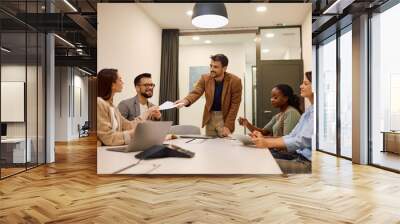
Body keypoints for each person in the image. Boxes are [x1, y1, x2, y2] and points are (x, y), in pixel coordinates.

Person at [250, 72, 314, 174]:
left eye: (305, 84)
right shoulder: (309, 111)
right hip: (299, 156)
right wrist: (262, 139)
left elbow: (300, 141)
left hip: (307, 162)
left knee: (259, 161)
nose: (301, 86)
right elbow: (292, 135)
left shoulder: (301, 113)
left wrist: (267, 143)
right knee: (256, 155)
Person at [175, 54, 242, 137]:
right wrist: (185, 101)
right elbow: (196, 92)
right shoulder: (205, 78)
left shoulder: (235, 81)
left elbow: (235, 105)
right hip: (210, 117)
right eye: (211, 66)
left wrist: (228, 125)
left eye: (216, 67)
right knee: (209, 144)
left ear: (224, 68)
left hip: (224, 117)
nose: (212, 69)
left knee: (225, 146)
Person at [97, 68, 158, 146]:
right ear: (112, 85)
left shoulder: (113, 107)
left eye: (151, 85)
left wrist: (148, 112)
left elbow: (129, 125)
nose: (123, 82)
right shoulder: (99, 103)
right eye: (120, 80)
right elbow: (108, 138)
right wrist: (134, 133)